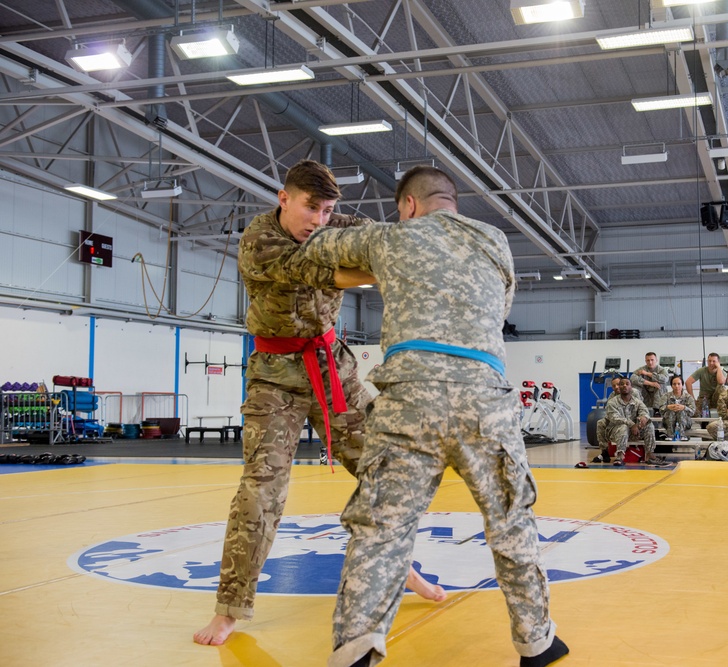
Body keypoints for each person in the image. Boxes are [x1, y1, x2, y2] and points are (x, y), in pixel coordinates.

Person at [302, 166, 568, 667]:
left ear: (408, 206)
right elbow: (500, 306)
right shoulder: (495, 240)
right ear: (450, 201)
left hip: (409, 399)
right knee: (511, 521)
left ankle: (357, 648)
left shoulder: (388, 238)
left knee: (382, 529)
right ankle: (537, 642)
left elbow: (317, 251)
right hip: (484, 398)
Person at [193, 161, 443, 648]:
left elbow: (380, 240)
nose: (319, 219)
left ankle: (399, 568)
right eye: (311, 206)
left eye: (328, 210)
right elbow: (332, 269)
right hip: (276, 378)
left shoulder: (335, 224)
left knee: (387, 468)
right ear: (284, 198)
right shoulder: (258, 241)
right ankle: (229, 608)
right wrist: (378, 267)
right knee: (260, 492)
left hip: (334, 368)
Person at [605, 378, 662, 466]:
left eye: (627, 384)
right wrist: (632, 425)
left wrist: (643, 418)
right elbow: (614, 418)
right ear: (619, 388)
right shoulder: (612, 402)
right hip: (616, 432)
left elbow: (645, 412)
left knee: (649, 425)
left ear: (631, 387)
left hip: (635, 432)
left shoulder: (637, 401)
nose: (624, 386)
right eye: (622, 384)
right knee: (623, 427)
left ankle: (649, 455)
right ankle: (620, 456)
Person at [592, 377, 623, 463]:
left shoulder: (631, 393)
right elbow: (608, 412)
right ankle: (605, 452)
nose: (616, 387)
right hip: (614, 420)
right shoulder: (612, 396)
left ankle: (620, 455)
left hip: (626, 421)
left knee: (622, 426)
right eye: (614, 386)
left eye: (618, 384)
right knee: (600, 423)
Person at [657, 375, 696, 441]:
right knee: (670, 411)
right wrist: (668, 407)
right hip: (669, 422)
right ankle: (670, 435)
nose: (676, 386)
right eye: (674, 384)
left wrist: (684, 407)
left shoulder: (688, 397)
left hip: (685, 423)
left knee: (681, 411)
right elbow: (660, 410)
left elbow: (692, 411)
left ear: (682, 385)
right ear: (671, 385)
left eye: (679, 384)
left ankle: (682, 435)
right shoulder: (666, 396)